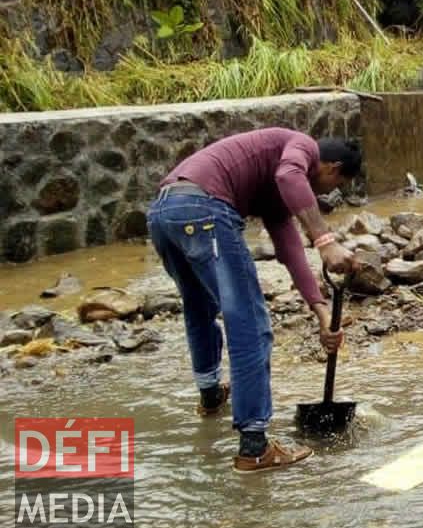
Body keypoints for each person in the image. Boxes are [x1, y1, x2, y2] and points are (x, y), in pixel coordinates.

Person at [147, 128, 360, 473]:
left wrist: (321, 311)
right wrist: (325, 240)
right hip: (204, 210)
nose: (326, 193)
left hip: (164, 213)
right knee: (250, 324)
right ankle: (254, 446)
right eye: (333, 186)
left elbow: (290, 250)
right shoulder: (300, 147)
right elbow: (291, 175)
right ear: (331, 169)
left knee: (199, 308)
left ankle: (211, 395)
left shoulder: (273, 192)